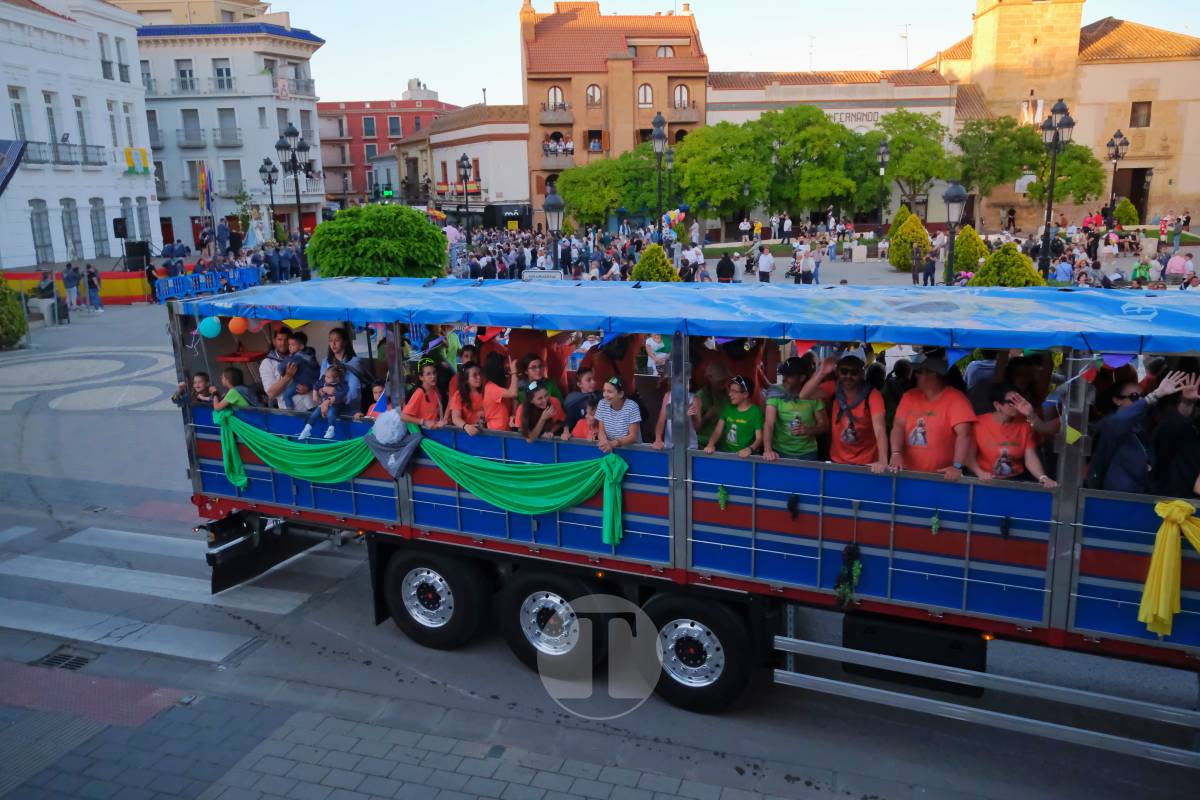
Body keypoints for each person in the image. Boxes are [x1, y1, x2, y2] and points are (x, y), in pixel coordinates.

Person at [1086, 371, 1186, 493]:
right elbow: (1121, 420)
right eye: (1134, 397)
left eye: (1143, 396)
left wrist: (1186, 404)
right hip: (1116, 500)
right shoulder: (1110, 424)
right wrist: (1155, 395)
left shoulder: (1141, 429)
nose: (1140, 400)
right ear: (1117, 400)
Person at [889, 353, 975, 480]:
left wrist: (957, 467)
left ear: (933, 374)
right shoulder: (909, 396)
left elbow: (964, 434)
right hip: (906, 474)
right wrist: (896, 452)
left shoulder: (956, 399)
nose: (916, 375)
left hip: (941, 478)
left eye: (920, 372)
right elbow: (898, 427)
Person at [813, 351, 889, 473]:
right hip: (837, 461)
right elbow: (804, 395)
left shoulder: (873, 395)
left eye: (854, 372)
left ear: (862, 374)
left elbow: (880, 428)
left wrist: (883, 460)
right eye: (844, 371)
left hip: (867, 463)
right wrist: (821, 372)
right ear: (838, 373)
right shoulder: (833, 388)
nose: (848, 376)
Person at [966, 384, 1057, 486]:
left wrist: (1043, 477)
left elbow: (1030, 456)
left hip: (1015, 480)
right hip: (982, 480)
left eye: (1018, 400)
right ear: (997, 405)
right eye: (1011, 402)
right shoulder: (978, 424)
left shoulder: (1025, 425)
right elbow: (968, 456)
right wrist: (980, 473)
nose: (1017, 406)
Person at [762, 357, 826, 461]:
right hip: (779, 452)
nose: (784, 378)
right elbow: (769, 423)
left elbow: (824, 425)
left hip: (808, 453)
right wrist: (768, 450)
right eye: (783, 374)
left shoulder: (813, 395)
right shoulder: (775, 393)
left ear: (801, 378)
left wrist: (809, 430)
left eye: (789, 375)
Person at [704, 375, 763, 458]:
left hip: (745, 457)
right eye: (730, 390)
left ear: (745, 394)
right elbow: (717, 431)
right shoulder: (728, 408)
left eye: (734, 391)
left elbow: (759, 438)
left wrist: (749, 449)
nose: (729, 394)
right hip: (726, 454)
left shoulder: (756, 412)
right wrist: (710, 444)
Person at [299, 364, 350, 440]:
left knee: (331, 414)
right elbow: (316, 385)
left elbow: (340, 395)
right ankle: (307, 429)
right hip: (323, 403)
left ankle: (331, 429)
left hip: (335, 405)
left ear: (337, 378)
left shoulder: (342, 385)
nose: (325, 378)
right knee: (314, 414)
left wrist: (332, 398)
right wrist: (315, 393)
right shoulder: (324, 380)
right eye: (325, 376)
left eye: (328, 377)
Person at [596, 376, 642, 452]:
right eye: (604, 391)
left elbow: (633, 436)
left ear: (620, 394)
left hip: (632, 450)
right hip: (610, 449)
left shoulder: (632, 406)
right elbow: (601, 431)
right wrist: (604, 442)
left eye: (609, 392)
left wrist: (614, 443)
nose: (605, 395)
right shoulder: (602, 403)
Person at [322, 328, 364, 409]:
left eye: (337, 340)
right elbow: (321, 383)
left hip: (349, 408)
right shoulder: (325, 361)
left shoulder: (354, 362)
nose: (333, 344)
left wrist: (336, 397)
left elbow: (354, 390)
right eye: (330, 340)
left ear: (344, 342)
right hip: (329, 406)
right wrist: (321, 392)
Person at [402, 358, 446, 430]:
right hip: (427, 434)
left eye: (434, 373)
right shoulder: (419, 393)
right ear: (421, 377)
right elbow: (403, 417)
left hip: (437, 431)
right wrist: (424, 422)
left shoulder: (435, 389)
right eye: (428, 374)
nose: (433, 376)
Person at [280, 331, 319, 410]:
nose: (289, 347)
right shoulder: (310, 355)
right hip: (313, 382)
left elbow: (284, 366)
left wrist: (281, 369)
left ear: (301, 346)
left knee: (286, 395)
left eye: (292, 345)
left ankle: (290, 411)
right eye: (289, 344)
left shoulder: (296, 357)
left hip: (300, 383)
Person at [482, 352, 520, 431]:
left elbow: (514, 396)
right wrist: (514, 372)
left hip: (504, 431)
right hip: (496, 433)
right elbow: (513, 393)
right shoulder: (490, 387)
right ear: (498, 369)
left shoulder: (497, 386)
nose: (507, 367)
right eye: (504, 365)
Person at [259, 326, 294, 407]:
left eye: (286, 339)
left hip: (310, 406)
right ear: (274, 341)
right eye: (279, 339)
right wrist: (288, 377)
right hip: (289, 410)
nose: (283, 343)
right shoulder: (267, 363)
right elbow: (271, 393)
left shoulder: (301, 355)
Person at [450, 363, 485, 435]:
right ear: (466, 379)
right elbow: (455, 417)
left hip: (487, 432)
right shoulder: (458, 395)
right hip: (467, 434)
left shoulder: (486, 391)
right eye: (475, 375)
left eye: (479, 374)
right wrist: (466, 426)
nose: (479, 377)